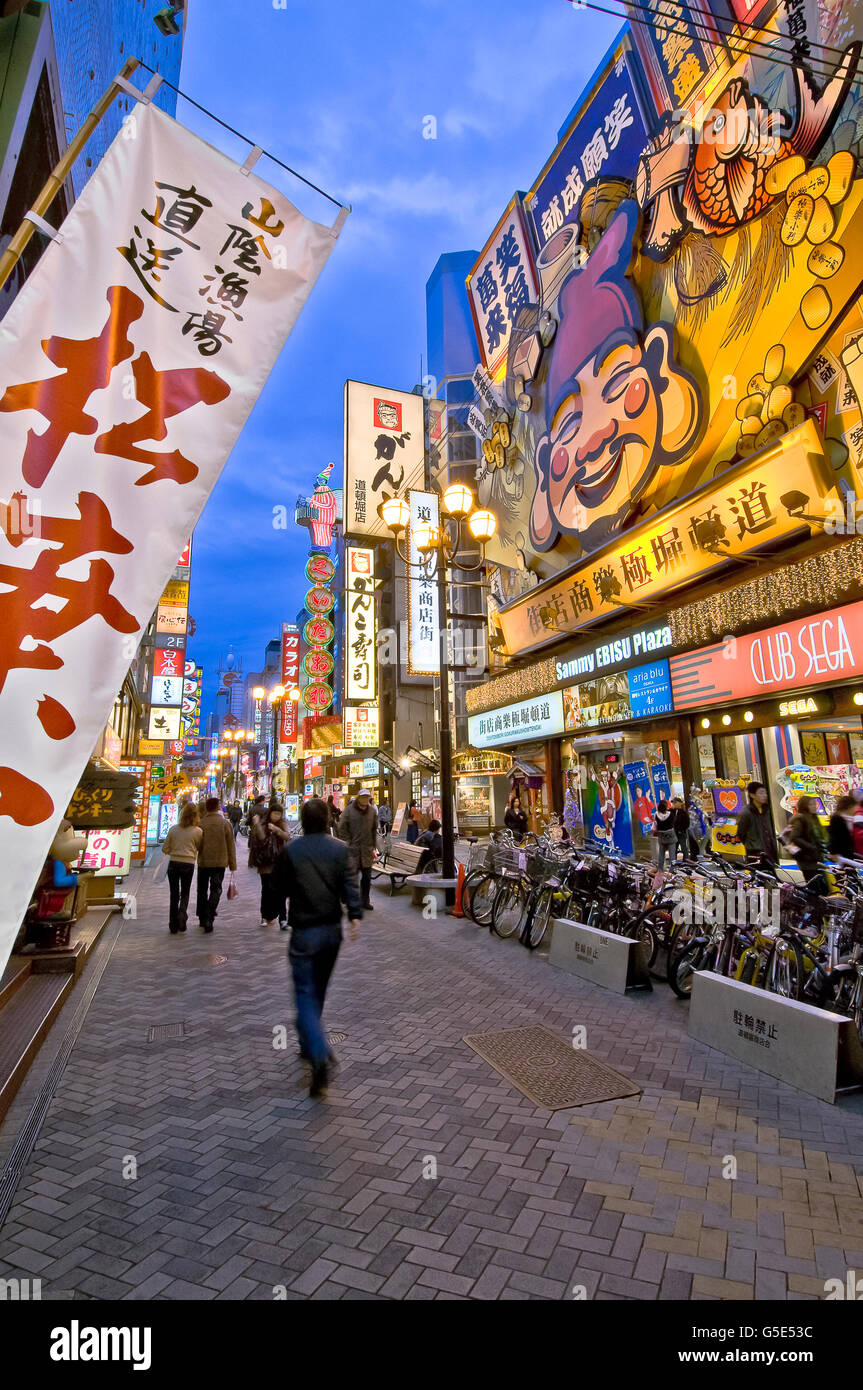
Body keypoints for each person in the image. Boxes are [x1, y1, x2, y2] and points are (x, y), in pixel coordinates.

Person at [278, 797, 362, 1098]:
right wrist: (354, 916)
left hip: (303, 932)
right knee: (318, 993)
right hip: (331, 932)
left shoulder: (292, 850)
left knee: (304, 996)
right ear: (328, 820)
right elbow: (350, 884)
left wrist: (279, 911)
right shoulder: (339, 849)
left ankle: (318, 1052)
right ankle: (310, 1045)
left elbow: (280, 888)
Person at [196, 797, 237, 933]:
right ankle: (209, 915)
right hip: (220, 862)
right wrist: (232, 864)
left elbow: (198, 844)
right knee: (216, 889)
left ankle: (202, 917)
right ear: (218, 807)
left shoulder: (201, 823)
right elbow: (231, 845)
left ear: (207, 808)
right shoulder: (225, 824)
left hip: (204, 861)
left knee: (201, 890)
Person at [161, 803, 202, 934]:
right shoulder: (198, 831)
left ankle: (172, 924)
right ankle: (182, 916)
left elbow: (165, 848)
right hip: (188, 864)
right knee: (185, 892)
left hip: (173, 864)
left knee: (174, 894)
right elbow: (200, 848)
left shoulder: (173, 829)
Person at [249, 803, 290, 928]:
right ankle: (265, 916)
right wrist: (257, 824)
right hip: (265, 862)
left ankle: (283, 919)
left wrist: (277, 830)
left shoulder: (283, 823)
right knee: (266, 890)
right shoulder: (263, 822)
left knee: (281, 891)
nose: (277, 816)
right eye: (275, 813)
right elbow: (260, 838)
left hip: (279, 862)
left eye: (279, 814)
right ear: (270, 813)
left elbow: (287, 836)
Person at [338, 787, 378, 910]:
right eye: (363, 797)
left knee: (366, 878)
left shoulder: (372, 811)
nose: (365, 799)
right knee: (351, 878)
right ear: (359, 798)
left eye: (367, 797)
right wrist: (347, 842)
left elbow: (374, 829)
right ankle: (350, 900)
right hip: (353, 850)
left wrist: (373, 845)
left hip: (366, 850)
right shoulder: (349, 810)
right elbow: (342, 827)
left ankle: (365, 901)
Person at [784, 794, 828, 892]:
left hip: (815, 859)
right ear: (805, 806)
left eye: (814, 804)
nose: (814, 807)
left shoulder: (813, 818)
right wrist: (811, 847)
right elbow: (795, 838)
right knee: (815, 888)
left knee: (822, 887)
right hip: (806, 859)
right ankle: (812, 906)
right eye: (811, 804)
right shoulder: (800, 819)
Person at [736, 782, 779, 868]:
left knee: (770, 877)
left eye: (765, 793)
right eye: (761, 793)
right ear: (752, 795)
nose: (764, 795)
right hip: (755, 852)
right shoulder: (746, 813)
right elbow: (741, 833)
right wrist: (752, 844)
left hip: (769, 850)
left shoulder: (767, 810)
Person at [828, 794, 857, 864]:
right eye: (854, 807)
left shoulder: (849, 818)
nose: (855, 810)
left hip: (848, 853)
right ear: (849, 807)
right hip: (841, 855)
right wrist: (833, 852)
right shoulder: (836, 818)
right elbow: (833, 837)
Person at [653, 800, 677, 871]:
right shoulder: (670, 814)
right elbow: (674, 822)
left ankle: (660, 869)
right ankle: (672, 870)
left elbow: (655, 824)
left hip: (661, 835)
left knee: (661, 854)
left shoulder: (656, 814)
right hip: (671, 835)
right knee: (672, 855)